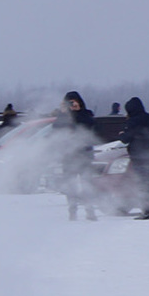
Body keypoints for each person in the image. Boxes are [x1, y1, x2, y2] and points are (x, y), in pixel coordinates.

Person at [51, 91, 99, 220]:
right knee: (70, 185)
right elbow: (56, 129)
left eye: (74, 101)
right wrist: (62, 113)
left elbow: (89, 125)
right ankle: (72, 211)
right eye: (69, 102)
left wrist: (77, 112)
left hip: (84, 155)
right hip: (68, 156)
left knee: (87, 185)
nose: (72, 104)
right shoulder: (63, 115)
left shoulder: (86, 114)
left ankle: (90, 211)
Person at [120, 97, 149, 219]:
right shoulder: (148, 118)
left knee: (142, 183)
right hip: (148, 153)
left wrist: (122, 134)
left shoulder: (133, 121)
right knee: (148, 183)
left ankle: (147, 210)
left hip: (137, 155)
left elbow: (126, 138)